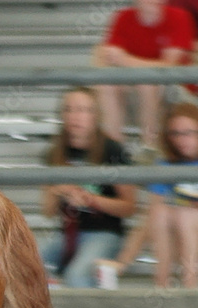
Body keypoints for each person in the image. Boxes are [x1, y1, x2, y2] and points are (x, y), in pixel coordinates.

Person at [37, 88, 136, 288]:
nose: (75, 117)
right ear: (62, 115)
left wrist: (90, 199)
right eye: (70, 110)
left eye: (83, 110)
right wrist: (56, 191)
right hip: (67, 234)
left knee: (77, 276)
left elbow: (129, 207)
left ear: (96, 115)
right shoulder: (55, 152)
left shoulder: (112, 150)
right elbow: (47, 212)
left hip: (105, 233)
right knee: (27, 268)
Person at [103, 103, 198, 287]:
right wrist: (123, 260)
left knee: (185, 217)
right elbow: (148, 218)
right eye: (176, 134)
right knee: (159, 213)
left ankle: (190, 290)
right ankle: (162, 286)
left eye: (189, 132)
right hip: (178, 239)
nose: (182, 140)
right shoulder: (165, 166)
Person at [93, 0, 195, 154]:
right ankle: (115, 148)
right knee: (106, 84)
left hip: (174, 86)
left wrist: (125, 60)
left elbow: (169, 66)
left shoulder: (179, 16)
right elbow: (107, 56)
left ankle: (150, 146)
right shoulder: (124, 17)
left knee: (147, 82)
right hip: (135, 86)